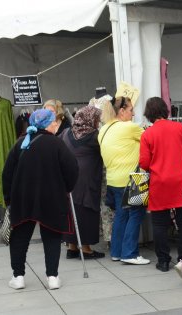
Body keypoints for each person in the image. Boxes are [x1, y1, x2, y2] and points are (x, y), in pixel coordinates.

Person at [2, 109, 79, 290]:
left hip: (23, 199)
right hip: (52, 198)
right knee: (52, 237)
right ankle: (52, 277)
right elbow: (72, 169)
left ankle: (18, 276)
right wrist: (65, 188)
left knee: (20, 238)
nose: (56, 124)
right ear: (47, 124)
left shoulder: (21, 143)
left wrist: (9, 200)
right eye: (53, 122)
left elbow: (7, 174)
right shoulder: (57, 144)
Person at [139, 97, 182, 280]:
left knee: (159, 224)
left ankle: (163, 261)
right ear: (165, 110)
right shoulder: (180, 128)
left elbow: (144, 163)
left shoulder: (147, 134)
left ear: (148, 113)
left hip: (159, 182)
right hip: (181, 181)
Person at [98, 96, 150, 265]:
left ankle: (117, 252)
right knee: (136, 214)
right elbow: (150, 138)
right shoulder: (128, 127)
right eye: (130, 110)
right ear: (121, 111)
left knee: (121, 215)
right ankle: (130, 254)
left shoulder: (104, 129)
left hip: (113, 179)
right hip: (133, 177)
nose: (133, 114)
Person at [60, 106, 105, 259]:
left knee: (72, 211)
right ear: (91, 119)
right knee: (86, 211)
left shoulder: (66, 133)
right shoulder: (94, 136)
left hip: (68, 178)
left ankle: (72, 247)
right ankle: (85, 249)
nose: (98, 122)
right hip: (87, 179)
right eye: (97, 119)